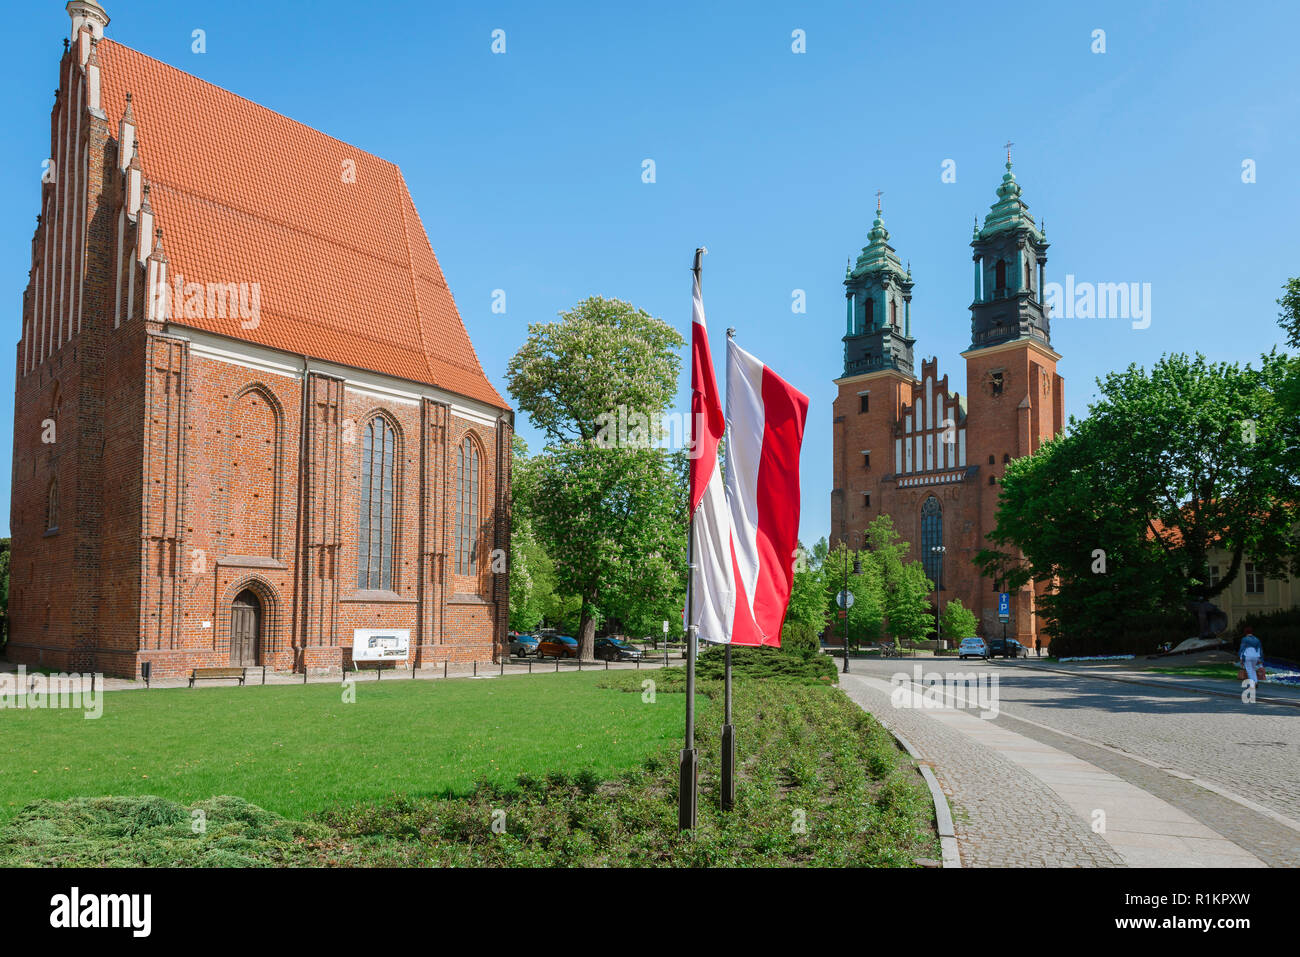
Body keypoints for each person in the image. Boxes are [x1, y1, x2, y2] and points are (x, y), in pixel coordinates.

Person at [1239, 626, 1264, 697]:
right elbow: (1259, 649)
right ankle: (1256, 682)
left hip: (1247, 655)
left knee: (1249, 670)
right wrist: (1260, 658)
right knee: (1253, 669)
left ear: (1245, 632)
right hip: (1255, 656)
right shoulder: (1257, 639)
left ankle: (1252, 684)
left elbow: (1242, 649)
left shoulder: (1244, 639)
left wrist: (1241, 658)